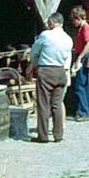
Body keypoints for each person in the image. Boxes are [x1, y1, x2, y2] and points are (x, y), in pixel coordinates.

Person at [30, 12, 73, 143]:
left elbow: (34, 52)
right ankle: (58, 134)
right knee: (57, 104)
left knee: (43, 104)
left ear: (52, 23)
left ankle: (42, 136)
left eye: (48, 23)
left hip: (46, 70)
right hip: (60, 71)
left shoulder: (45, 35)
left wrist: (36, 65)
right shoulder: (68, 39)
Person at [70, 5, 89, 121]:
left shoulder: (85, 28)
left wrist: (79, 57)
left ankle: (84, 112)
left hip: (83, 57)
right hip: (82, 56)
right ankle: (88, 110)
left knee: (80, 85)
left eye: (73, 20)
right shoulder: (83, 28)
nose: (72, 22)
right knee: (84, 84)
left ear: (78, 18)